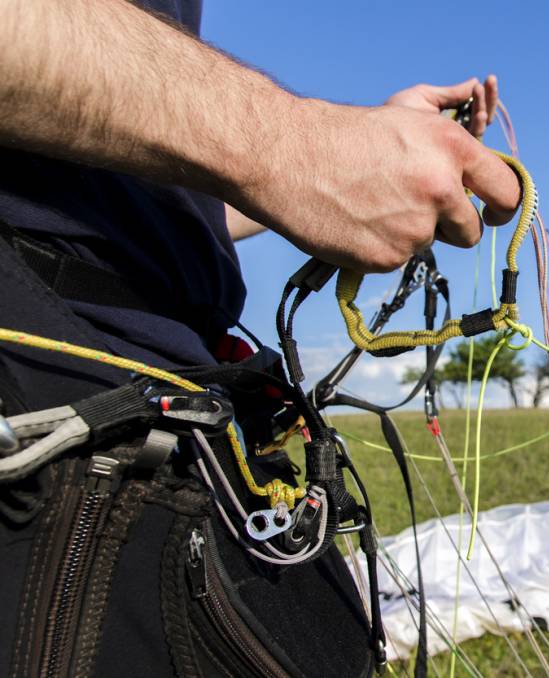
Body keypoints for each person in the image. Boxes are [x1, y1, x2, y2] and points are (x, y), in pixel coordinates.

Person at [0, 0, 520, 675]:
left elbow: (154, 206)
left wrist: (354, 164)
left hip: (177, 393)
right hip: (46, 387)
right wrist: (292, 145)